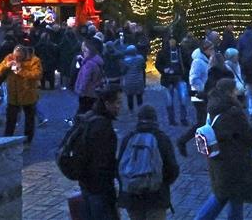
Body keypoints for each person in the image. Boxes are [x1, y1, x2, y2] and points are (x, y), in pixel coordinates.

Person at [196, 79, 252, 220]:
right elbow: (251, 137)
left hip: (218, 159)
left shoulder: (213, 108)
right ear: (230, 92)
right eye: (235, 90)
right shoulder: (233, 113)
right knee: (223, 196)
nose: (237, 92)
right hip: (234, 162)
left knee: (231, 195)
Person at [118, 105, 180, 220]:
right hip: (156, 197)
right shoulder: (161, 139)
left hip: (133, 197)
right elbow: (173, 169)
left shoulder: (128, 138)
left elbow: (119, 167)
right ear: (155, 119)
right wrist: (161, 182)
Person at [78, 85, 123, 220]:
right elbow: (102, 161)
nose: (120, 106)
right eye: (118, 102)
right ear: (107, 103)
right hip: (99, 188)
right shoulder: (102, 126)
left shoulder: (90, 118)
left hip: (87, 184)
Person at [0, 45, 42, 146]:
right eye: (15, 56)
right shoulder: (9, 58)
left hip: (28, 94)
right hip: (13, 94)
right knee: (10, 119)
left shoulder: (34, 60)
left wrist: (21, 71)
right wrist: (6, 65)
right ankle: (7, 139)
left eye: (19, 57)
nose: (16, 59)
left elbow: (37, 74)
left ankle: (28, 140)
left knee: (29, 119)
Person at [176, 39, 214, 157]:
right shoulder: (198, 61)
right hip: (199, 95)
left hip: (204, 95)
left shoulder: (206, 60)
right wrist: (203, 89)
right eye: (211, 49)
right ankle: (183, 141)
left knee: (204, 121)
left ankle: (204, 143)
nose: (213, 51)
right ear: (205, 50)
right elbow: (193, 78)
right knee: (202, 122)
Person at [155, 37, 190, 126]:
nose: (172, 42)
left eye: (173, 40)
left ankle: (183, 118)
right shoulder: (162, 52)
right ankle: (171, 119)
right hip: (168, 78)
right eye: (170, 40)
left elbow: (187, 62)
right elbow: (158, 64)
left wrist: (185, 72)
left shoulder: (181, 51)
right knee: (169, 100)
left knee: (183, 99)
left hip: (179, 77)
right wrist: (164, 69)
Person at [75, 38, 105, 116]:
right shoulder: (97, 61)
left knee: (83, 111)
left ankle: (79, 125)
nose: (83, 53)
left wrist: (81, 91)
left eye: (85, 51)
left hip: (87, 92)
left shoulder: (89, 64)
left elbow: (85, 78)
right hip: (94, 91)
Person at [123, 44, 146, 112]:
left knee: (130, 96)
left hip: (129, 81)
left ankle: (131, 110)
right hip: (139, 80)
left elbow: (123, 71)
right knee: (139, 96)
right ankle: (140, 109)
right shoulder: (140, 58)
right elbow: (144, 67)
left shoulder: (125, 60)